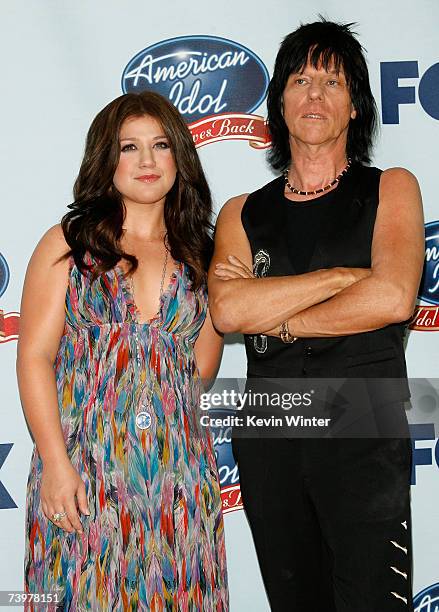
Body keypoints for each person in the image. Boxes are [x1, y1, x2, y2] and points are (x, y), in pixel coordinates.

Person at [208, 18, 424, 612]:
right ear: (280, 101)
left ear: (355, 105)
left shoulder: (392, 189)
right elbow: (228, 308)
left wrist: (275, 314)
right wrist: (339, 279)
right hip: (270, 431)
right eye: (301, 79)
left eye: (332, 82)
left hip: (364, 422)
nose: (315, 94)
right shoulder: (241, 212)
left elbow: (393, 298)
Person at [18, 91, 228, 610]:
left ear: (180, 155)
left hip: (179, 482)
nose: (147, 161)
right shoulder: (67, 246)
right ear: (104, 160)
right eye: (128, 147)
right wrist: (54, 462)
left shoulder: (204, 257)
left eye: (160, 145)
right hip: (83, 476)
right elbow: (34, 358)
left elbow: (198, 370)